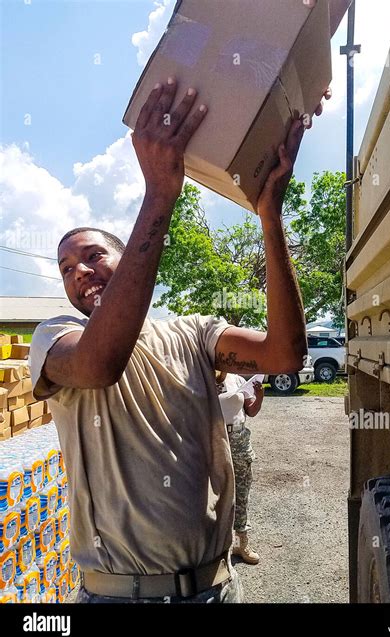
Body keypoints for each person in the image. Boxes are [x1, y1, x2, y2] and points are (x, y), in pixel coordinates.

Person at [29, 78, 330, 603]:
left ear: (128, 262)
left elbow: (284, 354)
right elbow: (100, 364)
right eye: (66, 268)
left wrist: (270, 217)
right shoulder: (56, 340)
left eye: (94, 255)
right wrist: (160, 193)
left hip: (214, 592)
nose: (79, 271)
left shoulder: (193, 333)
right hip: (116, 597)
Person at [216, 372, 264, 564]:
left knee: (241, 492)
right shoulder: (201, 376)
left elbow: (250, 411)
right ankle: (217, 547)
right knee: (213, 494)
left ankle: (240, 543)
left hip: (239, 440)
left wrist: (259, 396)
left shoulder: (236, 379)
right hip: (214, 439)